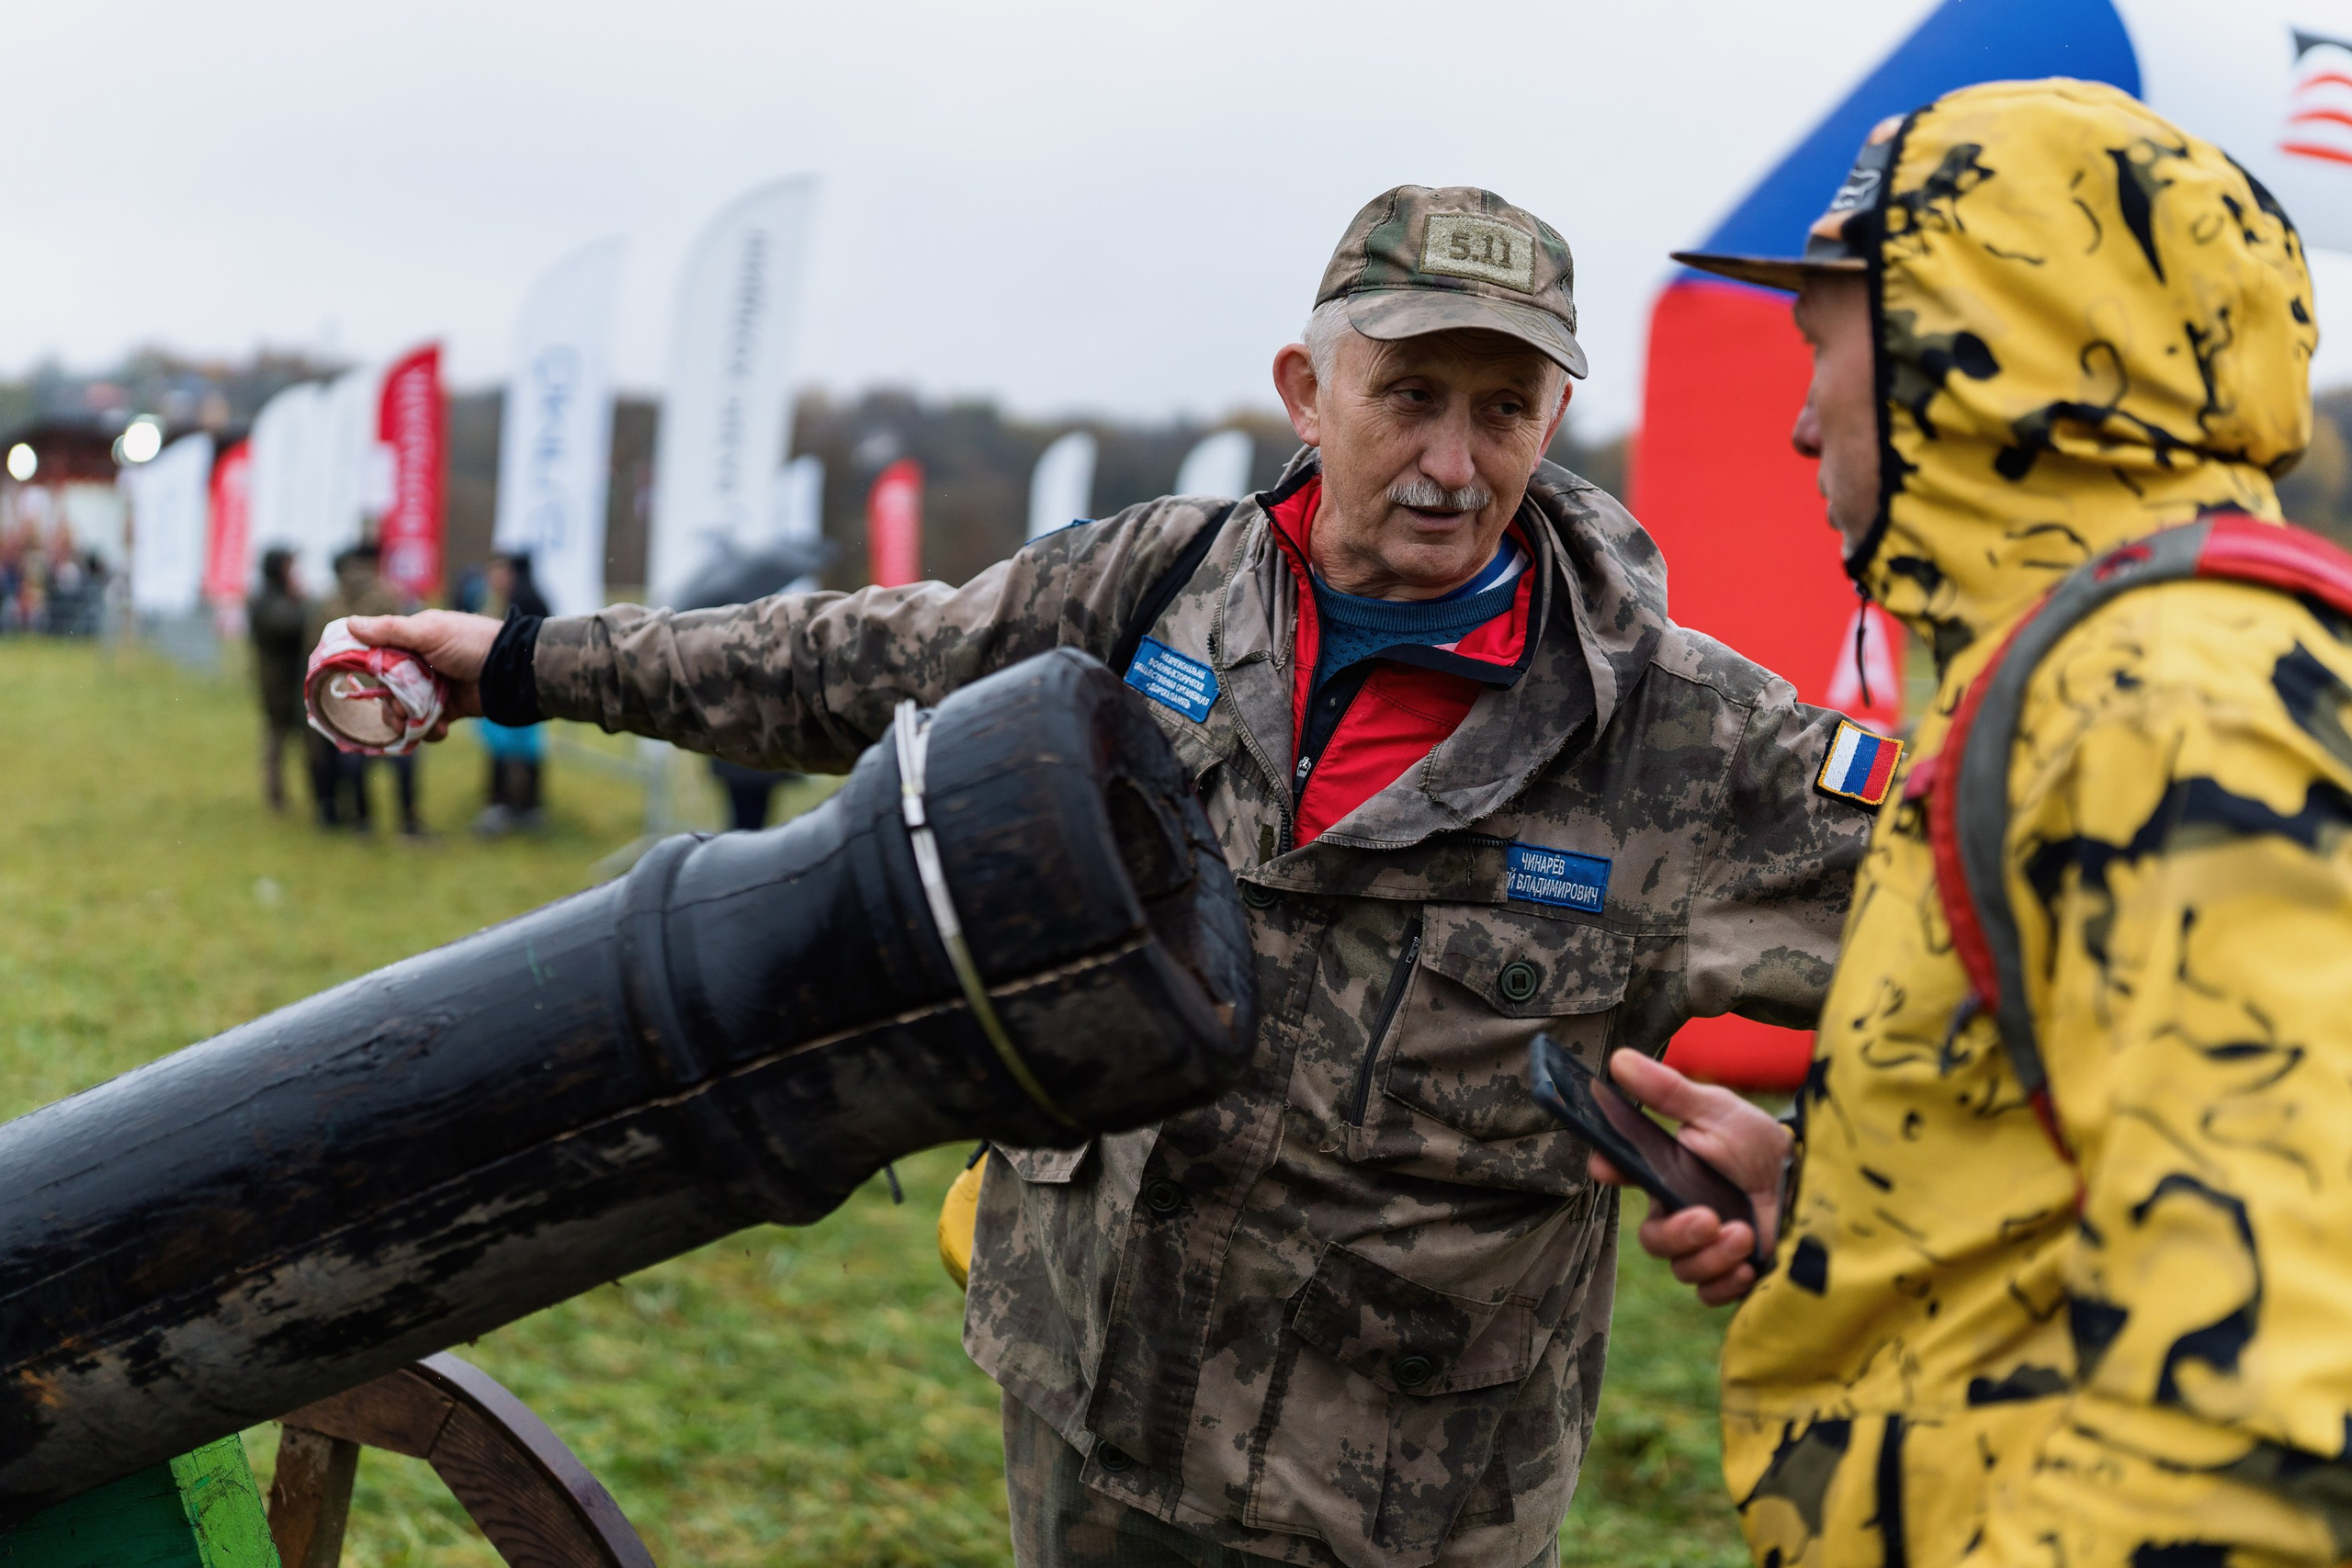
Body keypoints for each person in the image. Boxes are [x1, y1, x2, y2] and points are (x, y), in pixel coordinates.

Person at [346, 185, 1877, 1568]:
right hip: (1096, 1417)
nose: (1454, 462)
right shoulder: (1153, 592)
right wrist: (523, 661)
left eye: (1507, 407)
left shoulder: (1693, 739)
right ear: (1306, 388)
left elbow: (1984, 982)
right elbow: (856, 663)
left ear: (1555, 418)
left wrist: (1804, 1179)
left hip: (1411, 1496)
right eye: (1409, 395)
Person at [1594, 81, 2346, 1566]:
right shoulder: (2053, 669)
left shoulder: (2163, 694)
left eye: (1825, 349)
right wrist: (1839, 1203)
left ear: (1981, 336)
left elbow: (2267, 1399)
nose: (1801, 426)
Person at [307, 542, 425, 838]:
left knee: (354, 755)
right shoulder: (386, 595)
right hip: (388, 687)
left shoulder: (327, 601)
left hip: (344, 689)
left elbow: (315, 646)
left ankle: (362, 822)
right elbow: (405, 639)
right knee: (404, 754)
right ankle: (408, 823)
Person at [473, 551, 549, 835]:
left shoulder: (524, 601)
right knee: (500, 748)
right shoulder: (497, 600)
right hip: (504, 689)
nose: (494, 577)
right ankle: (504, 805)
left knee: (524, 750)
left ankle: (524, 807)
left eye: (499, 571)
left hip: (520, 689)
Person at [248, 547, 308, 813]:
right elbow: (290, 624)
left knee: (285, 740)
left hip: (287, 680)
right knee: (277, 740)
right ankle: (277, 798)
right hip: (279, 682)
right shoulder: (266, 600)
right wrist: (301, 600)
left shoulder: (271, 597)